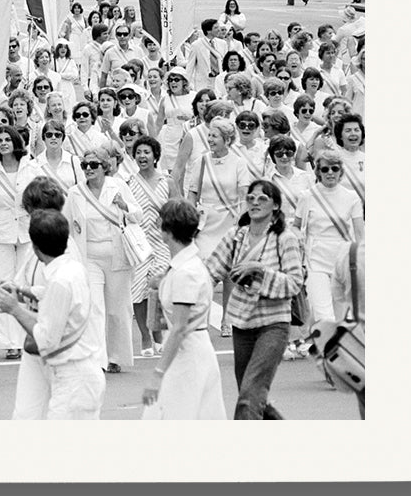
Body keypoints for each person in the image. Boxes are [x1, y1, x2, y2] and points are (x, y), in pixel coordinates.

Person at [0, 209, 105, 419]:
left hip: (73, 378)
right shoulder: (72, 269)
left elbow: (46, 339)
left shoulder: (60, 280)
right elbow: (52, 296)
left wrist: (13, 308)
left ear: (35, 247)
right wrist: (23, 291)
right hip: (80, 374)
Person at [204, 180, 305, 418]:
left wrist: (259, 270)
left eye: (262, 199)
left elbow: (294, 283)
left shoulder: (284, 238)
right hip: (243, 324)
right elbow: (210, 272)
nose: (255, 203)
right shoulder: (235, 236)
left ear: (276, 206)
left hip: (274, 325)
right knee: (251, 397)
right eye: (251, 198)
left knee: (249, 398)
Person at [140, 198, 226, 419]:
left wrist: (158, 374)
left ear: (167, 231)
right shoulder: (184, 266)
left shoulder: (185, 272)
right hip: (191, 351)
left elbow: (179, 328)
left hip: (188, 354)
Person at [65, 145, 144, 374]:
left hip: (118, 256)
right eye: (85, 165)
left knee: (118, 310)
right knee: (95, 309)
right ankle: (97, 359)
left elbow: (138, 216)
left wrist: (124, 205)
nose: (88, 169)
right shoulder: (75, 193)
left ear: (104, 167)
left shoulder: (117, 186)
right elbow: (67, 225)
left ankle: (116, 356)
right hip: (89, 258)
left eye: (93, 165)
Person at [185, 116, 251, 335]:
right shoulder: (201, 161)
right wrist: (189, 220)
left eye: (215, 136)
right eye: (210, 135)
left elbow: (243, 196)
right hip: (206, 223)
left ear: (227, 139)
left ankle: (227, 320)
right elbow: (192, 193)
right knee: (204, 271)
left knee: (229, 272)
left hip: (229, 221)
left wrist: (241, 225)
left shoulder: (239, 162)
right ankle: (200, 318)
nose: (210, 139)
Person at [293, 150, 364, 323]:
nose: (330, 172)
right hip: (315, 259)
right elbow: (296, 227)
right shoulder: (307, 196)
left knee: (342, 316)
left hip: (343, 261)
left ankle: (335, 349)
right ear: (318, 171)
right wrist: (298, 240)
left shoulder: (352, 198)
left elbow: (360, 234)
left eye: (334, 168)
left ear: (340, 171)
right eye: (325, 169)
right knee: (323, 314)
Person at [0, 126, 38, 359]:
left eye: (8, 139)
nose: (4, 143)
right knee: (4, 282)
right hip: (2, 231)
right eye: (0, 140)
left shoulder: (31, 166)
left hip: (27, 230)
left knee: (24, 283)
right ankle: (9, 342)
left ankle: (27, 333)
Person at [126, 135, 172, 357]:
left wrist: (167, 218)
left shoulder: (167, 181)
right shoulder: (129, 183)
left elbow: (178, 205)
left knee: (157, 287)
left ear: (155, 156)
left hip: (162, 242)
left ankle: (157, 332)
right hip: (139, 244)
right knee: (138, 292)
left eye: (147, 152)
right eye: (139, 153)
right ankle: (145, 336)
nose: (142, 156)